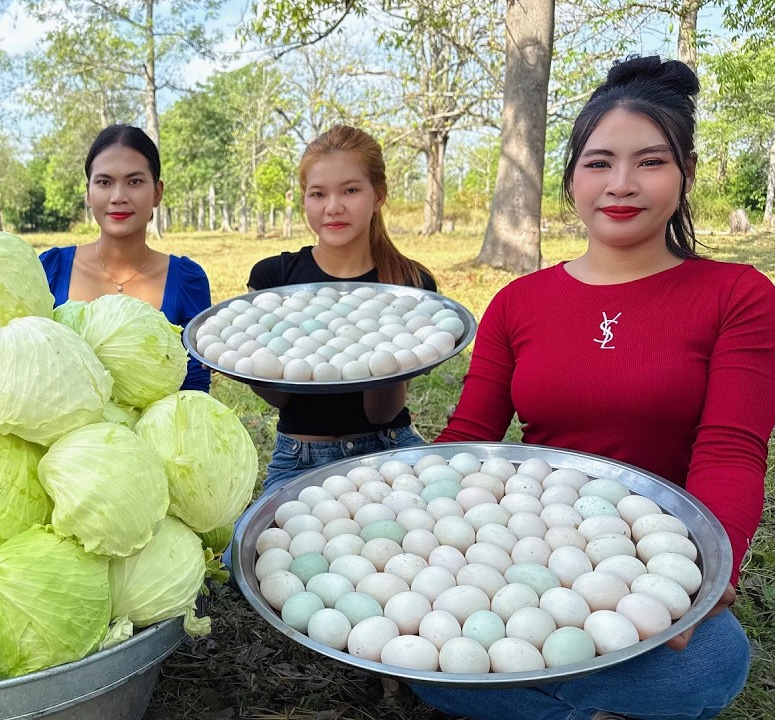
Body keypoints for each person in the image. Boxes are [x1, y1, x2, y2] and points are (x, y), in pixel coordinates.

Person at [414, 56, 775, 720]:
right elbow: (470, 436)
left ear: (687, 173)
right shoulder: (519, 301)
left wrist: (705, 572)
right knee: (422, 635)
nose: (623, 184)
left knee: (708, 663)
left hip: (654, 553)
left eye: (651, 162)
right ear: (573, 176)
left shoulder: (738, 296)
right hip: (522, 535)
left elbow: (731, 450)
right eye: (601, 162)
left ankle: (519, 692)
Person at [247, 125, 435, 489]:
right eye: (318, 194)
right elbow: (283, 397)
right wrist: (251, 364)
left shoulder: (410, 286)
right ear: (304, 199)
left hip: (389, 449)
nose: (333, 207)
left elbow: (381, 412)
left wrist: (389, 354)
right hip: (301, 457)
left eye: (350, 190)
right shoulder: (274, 279)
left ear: (378, 194)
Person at [39, 124, 211, 393]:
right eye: (104, 182)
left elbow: (193, 386)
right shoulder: (50, 269)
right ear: (88, 193)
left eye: (134, 181)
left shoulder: (187, 280)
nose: (118, 197)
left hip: (155, 434)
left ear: (157, 192)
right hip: (61, 433)